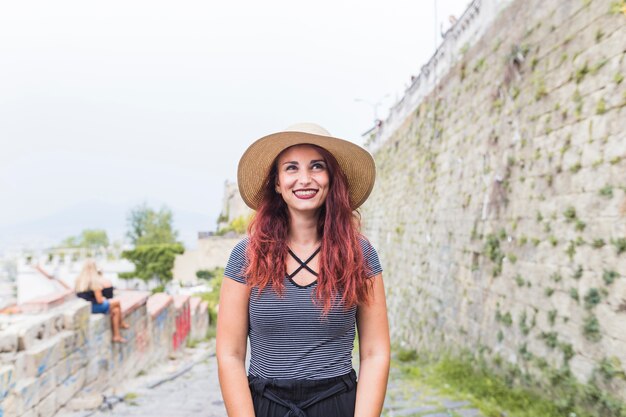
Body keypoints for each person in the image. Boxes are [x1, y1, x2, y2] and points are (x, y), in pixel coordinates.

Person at [217, 123, 390, 417]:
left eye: (317, 167)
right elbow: (230, 355)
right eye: (291, 168)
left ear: (331, 179)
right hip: (266, 406)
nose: (305, 179)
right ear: (276, 182)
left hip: (337, 404)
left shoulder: (359, 254)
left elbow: (375, 353)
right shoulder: (246, 256)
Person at [75, 260, 129, 343]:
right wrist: (104, 298)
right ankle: (121, 323)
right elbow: (99, 301)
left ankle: (116, 336)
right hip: (95, 307)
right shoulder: (94, 282)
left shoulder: (78, 281)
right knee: (117, 303)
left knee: (116, 311)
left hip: (86, 308)